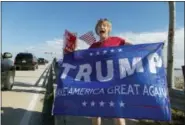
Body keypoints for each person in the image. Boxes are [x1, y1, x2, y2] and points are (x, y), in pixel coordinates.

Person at [89, 18, 132, 125]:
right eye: (99, 26)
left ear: (108, 29)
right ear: (97, 30)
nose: (102, 27)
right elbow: (83, 59)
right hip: (97, 82)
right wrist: (70, 54)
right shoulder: (93, 46)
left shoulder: (117, 40)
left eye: (104, 25)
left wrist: (148, 49)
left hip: (114, 82)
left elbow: (133, 47)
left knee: (117, 113)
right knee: (96, 111)